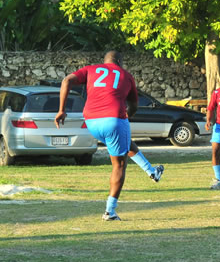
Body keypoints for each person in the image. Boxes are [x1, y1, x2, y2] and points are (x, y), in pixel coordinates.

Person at [55, 51, 163, 221]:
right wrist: (128, 115)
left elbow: (67, 80)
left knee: (124, 143)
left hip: (91, 121)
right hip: (113, 118)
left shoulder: (91, 69)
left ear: (104, 61)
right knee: (119, 165)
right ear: (119, 62)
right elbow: (133, 105)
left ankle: (152, 171)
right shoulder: (126, 76)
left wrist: (62, 110)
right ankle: (110, 211)